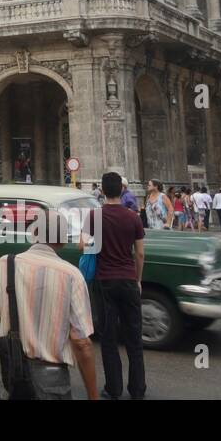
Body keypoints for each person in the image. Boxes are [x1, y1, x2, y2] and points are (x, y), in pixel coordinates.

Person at [0, 210, 99, 400]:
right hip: (52, 381)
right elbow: (82, 343)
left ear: (34, 234)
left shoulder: (4, 264)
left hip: (10, 376)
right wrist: (93, 397)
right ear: (63, 239)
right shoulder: (73, 276)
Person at [94, 171, 146, 400]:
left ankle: (113, 389)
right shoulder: (133, 217)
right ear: (122, 190)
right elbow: (140, 253)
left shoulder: (95, 216)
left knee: (108, 339)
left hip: (106, 281)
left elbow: (84, 245)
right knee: (134, 339)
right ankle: (137, 390)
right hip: (128, 280)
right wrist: (138, 279)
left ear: (103, 191)